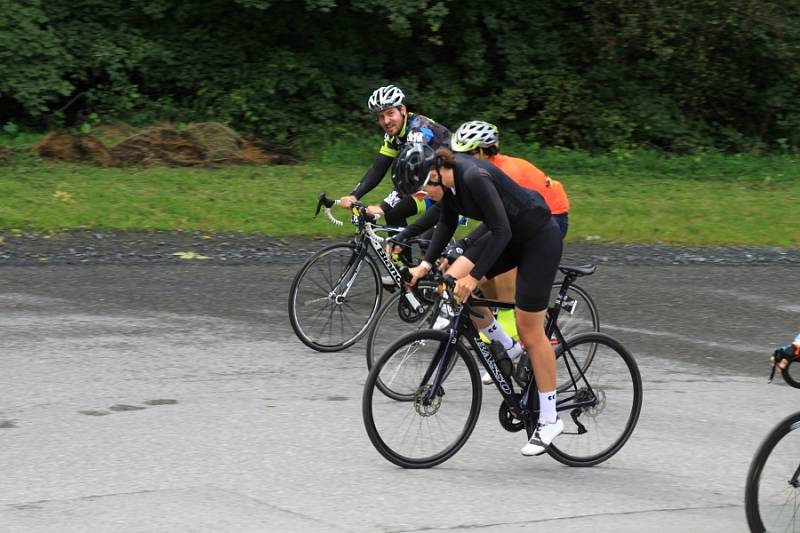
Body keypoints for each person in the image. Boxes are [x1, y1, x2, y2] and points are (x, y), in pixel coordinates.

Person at [394, 142, 564, 457]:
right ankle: (508, 348)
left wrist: (475, 276)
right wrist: (424, 266)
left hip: (539, 239)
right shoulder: (448, 184)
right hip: (512, 238)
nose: (422, 198)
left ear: (434, 173)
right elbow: (445, 224)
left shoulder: (472, 176)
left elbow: (499, 231)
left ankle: (550, 420)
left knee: (531, 330)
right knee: (456, 288)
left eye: (421, 191)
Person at [338, 85, 450, 229]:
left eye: (390, 113)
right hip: (432, 186)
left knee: (427, 240)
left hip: (456, 189)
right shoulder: (393, 136)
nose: (386, 121)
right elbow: (377, 170)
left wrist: (383, 206)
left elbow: (410, 176)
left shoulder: (418, 130)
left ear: (402, 110)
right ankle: (397, 251)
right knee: (394, 214)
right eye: (381, 117)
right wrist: (355, 195)